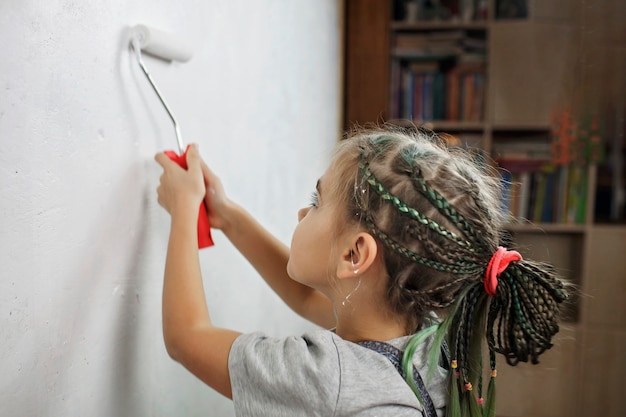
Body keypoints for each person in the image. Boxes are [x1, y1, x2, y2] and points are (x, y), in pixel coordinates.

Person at [154, 124, 569, 417]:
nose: (303, 211)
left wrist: (183, 209)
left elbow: (186, 338)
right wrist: (227, 216)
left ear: (355, 255)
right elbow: (307, 298)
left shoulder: (326, 380)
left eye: (315, 202)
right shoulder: (424, 338)